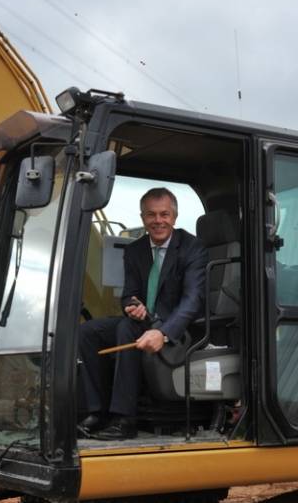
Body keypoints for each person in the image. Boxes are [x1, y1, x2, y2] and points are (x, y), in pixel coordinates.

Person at [77, 187, 207, 439]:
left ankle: (125, 419)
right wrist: (132, 306)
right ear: (142, 218)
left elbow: (193, 300)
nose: (158, 221)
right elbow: (129, 293)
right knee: (87, 332)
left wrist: (163, 332)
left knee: (126, 328)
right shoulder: (134, 251)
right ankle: (97, 412)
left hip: (178, 327)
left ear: (174, 216)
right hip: (144, 321)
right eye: (151, 215)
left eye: (164, 214)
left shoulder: (192, 248)